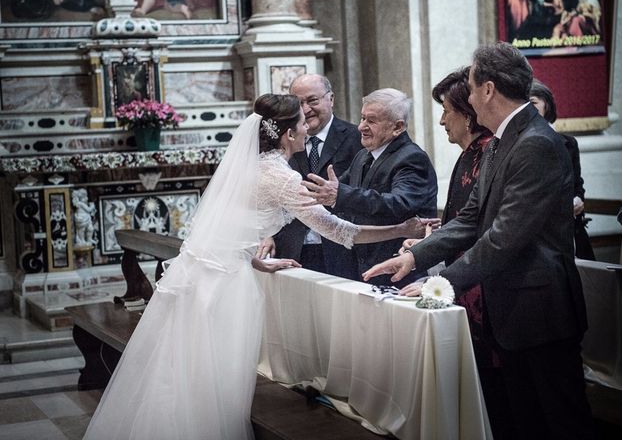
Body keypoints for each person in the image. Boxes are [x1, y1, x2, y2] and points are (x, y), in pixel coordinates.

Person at [82, 94, 427, 440]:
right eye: (302, 124)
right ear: (288, 135)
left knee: (186, 368)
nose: (308, 128)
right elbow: (340, 231)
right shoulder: (282, 178)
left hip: (204, 273)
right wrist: (402, 229)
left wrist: (254, 257)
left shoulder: (249, 167)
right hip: (228, 285)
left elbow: (231, 226)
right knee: (219, 373)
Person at [363, 42, 595, 440]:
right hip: (510, 309)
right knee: (523, 423)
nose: (468, 98)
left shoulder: (536, 143)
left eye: (470, 89)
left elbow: (505, 236)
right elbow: (471, 218)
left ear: (488, 90)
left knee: (561, 423)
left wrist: (441, 283)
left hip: (541, 312)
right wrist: (414, 258)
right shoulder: (500, 141)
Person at [399, 67, 515, 439]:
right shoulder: (468, 155)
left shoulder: (489, 152)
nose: (442, 119)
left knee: (499, 394)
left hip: (484, 288)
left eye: (447, 110)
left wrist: (429, 271)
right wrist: (424, 246)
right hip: (465, 282)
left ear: (468, 113)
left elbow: (485, 229)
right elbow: (462, 218)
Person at [302, 88, 438, 287]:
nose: (361, 127)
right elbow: (339, 189)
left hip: (397, 270)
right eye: (362, 118)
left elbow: (399, 203)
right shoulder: (363, 155)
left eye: (371, 121)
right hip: (361, 268)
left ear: (397, 127)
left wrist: (338, 194)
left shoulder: (412, 158)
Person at [258, 74, 362, 279]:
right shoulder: (277, 145)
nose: (306, 110)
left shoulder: (356, 138)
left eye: (313, 101)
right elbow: (267, 194)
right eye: (299, 103)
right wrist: (267, 234)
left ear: (330, 99)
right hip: (291, 249)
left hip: (343, 251)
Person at [530, 79, 595, 260]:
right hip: (541, 233)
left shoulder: (568, 143)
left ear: (547, 105)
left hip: (571, 228)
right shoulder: (520, 145)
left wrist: (579, 200)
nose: (528, 108)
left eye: (533, 102)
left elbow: (577, 184)